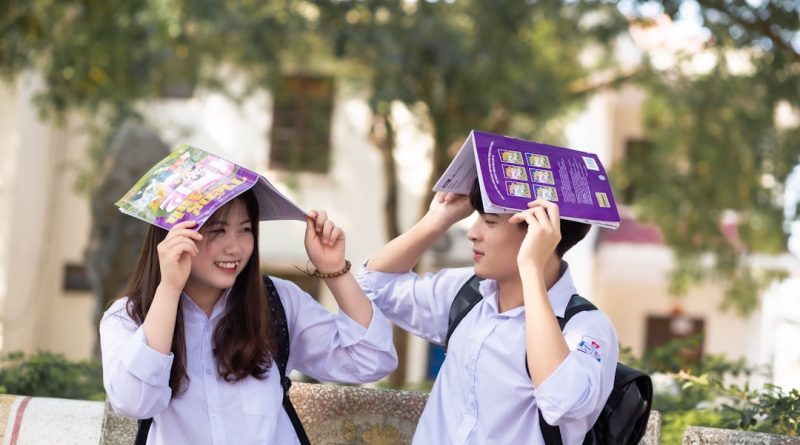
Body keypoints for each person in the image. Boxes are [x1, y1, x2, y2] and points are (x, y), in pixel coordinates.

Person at [100, 188, 397, 444]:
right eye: (217, 230)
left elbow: (371, 359)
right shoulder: (129, 318)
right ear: (176, 234)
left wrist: (334, 270)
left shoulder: (276, 302)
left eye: (245, 230)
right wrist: (170, 288)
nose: (235, 247)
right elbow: (134, 402)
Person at [357, 179, 619, 444]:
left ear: (538, 235)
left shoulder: (585, 326)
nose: (473, 232)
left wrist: (531, 268)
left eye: (490, 221)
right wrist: (437, 219)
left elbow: (562, 403)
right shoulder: (467, 292)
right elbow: (375, 285)